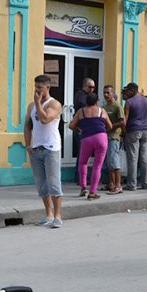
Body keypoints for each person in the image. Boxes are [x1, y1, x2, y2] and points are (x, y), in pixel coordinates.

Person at [24, 74, 64, 228]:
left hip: (51, 148)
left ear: (48, 87)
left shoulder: (55, 104)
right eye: (35, 87)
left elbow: (45, 119)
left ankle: (58, 216)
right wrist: (28, 145)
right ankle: (48, 214)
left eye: (40, 88)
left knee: (54, 183)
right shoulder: (31, 106)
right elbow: (28, 126)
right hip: (36, 149)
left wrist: (38, 103)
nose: (37, 90)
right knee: (41, 184)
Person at [68, 93, 112, 200]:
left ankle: (83, 187)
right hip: (101, 137)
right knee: (97, 166)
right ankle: (92, 192)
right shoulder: (102, 111)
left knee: (83, 163)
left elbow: (71, 125)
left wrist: (79, 130)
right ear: (97, 101)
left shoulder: (81, 111)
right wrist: (102, 131)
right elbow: (110, 126)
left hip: (86, 138)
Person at [122, 83, 147, 191]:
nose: (126, 92)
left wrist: (123, 131)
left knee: (132, 158)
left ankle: (132, 184)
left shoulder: (129, 102)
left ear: (133, 90)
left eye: (128, 90)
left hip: (133, 131)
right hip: (146, 131)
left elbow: (125, 119)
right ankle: (146, 183)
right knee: (145, 158)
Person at [73, 78, 96, 185]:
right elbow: (85, 105)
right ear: (84, 86)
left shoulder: (85, 95)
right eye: (90, 87)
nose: (92, 89)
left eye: (93, 87)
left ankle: (81, 177)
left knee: (83, 154)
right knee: (82, 154)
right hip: (81, 129)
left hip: (86, 129)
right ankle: (80, 178)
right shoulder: (81, 95)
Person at [102, 85, 124, 194]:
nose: (106, 95)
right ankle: (111, 183)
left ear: (113, 93)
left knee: (115, 162)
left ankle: (118, 185)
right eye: (104, 93)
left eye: (108, 93)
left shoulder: (117, 106)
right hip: (105, 137)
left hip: (114, 137)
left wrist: (110, 126)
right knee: (109, 162)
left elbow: (122, 122)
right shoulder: (105, 107)